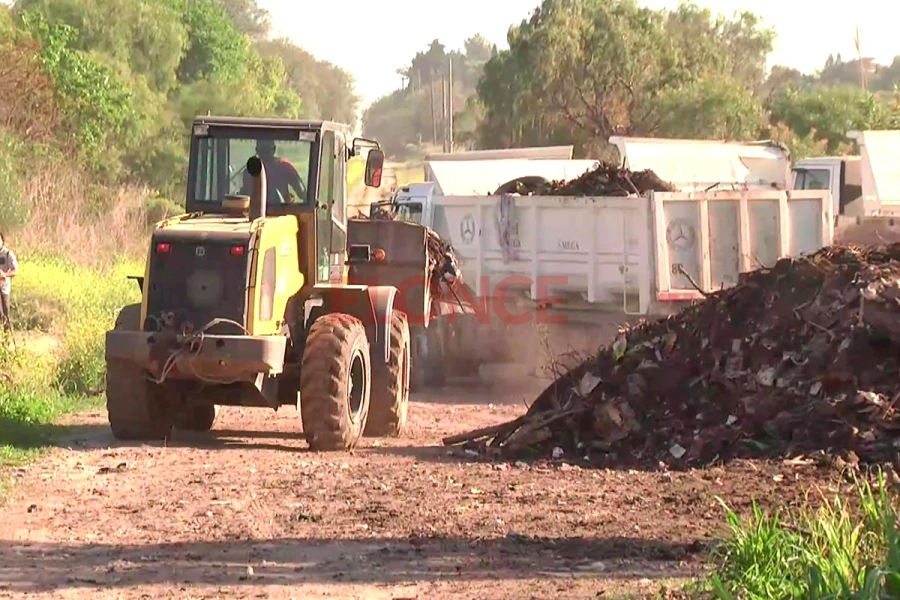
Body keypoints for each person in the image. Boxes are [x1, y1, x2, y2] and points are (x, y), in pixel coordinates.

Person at [241, 139, 307, 205]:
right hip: (256, 211)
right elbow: (245, 195)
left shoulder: (285, 166)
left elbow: (302, 192)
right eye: (262, 152)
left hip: (281, 211)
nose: (265, 155)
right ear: (256, 151)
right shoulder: (249, 171)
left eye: (267, 152)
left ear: (274, 149)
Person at [0, 233, 18, 330]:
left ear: (3, 241)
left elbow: (15, 270)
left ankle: (6, 340)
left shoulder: (8, 254)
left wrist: (5, 275)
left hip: (4, 288)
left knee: (5, 314)